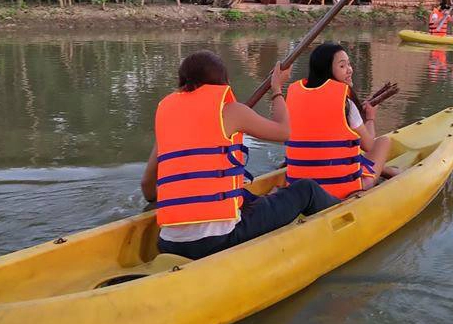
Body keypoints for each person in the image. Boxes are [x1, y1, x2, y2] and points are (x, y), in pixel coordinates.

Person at [140, 51, 340, 260]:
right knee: (306, 189)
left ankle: (267, 200)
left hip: (168, 243)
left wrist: (174, 205)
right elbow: (284, 131)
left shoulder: (168, 118)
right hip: (218, 241)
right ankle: (346, 212)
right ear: (223, 82)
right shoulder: (230, 110)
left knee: (245, 197)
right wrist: (277, 89)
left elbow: (147, 185)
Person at [283, 42, 393, 198]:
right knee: (383, 141)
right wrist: (370, 118)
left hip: (298, 188)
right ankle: (386, 171)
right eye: (342, 66)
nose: (350, 70)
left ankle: (388, 170)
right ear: (327, 70)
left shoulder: (293, 95)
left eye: (349, 64)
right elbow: (368, 145)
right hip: (341, 189)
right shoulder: (345, 101)